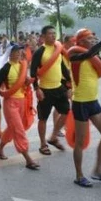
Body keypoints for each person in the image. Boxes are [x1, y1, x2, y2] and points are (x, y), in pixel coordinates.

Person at [66, 29, 101, 187]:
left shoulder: (93, 55)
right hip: (80, 103)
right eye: (90, 38)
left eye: (93, 38)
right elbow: (88, 54)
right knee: (80, 142)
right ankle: (79, 176)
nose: (93, 40)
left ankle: (98, 170)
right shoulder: (74, 54)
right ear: (81, 41)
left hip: (93, 101)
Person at [0, 43, 40, 170]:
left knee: (11, 129)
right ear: (10, 53)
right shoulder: (5, 69)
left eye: (19, 51)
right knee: (18, 130)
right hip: (10, 103)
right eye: (16, 51)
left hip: (22, 101)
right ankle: (28, 159)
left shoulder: (22, 66)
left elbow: (25, 82)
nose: (19, 53)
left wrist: (29, 81)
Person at [30, 25, 72, 156]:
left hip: (59, 88)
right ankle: (43, 144)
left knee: (66, 111)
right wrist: (37, 89)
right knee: (43, 118)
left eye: (54, 33)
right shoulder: (40, 52)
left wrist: (69, 84)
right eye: (50, 34)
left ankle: (53, 136)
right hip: (45, 90)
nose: (53, 36)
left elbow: (63, 67)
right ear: (43, 36)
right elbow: (32, 73)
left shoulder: (57, 49)